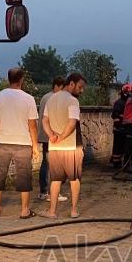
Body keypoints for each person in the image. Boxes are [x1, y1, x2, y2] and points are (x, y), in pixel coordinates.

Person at [0, 68, 40, 219]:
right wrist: (35, 146)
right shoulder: (28, 99)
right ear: (21, 79)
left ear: (9, 79)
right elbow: (32, 126)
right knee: (24, 176)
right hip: (23, 143)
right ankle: (24, 210)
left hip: (3, 142)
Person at [42, 73, 87, 218]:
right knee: (75, 179)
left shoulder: (51, 99)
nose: (81, 91)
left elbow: (44, 121)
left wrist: (51, 136)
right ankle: (73, 211)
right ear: (71, 84)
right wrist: (61, 137)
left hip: (54, 147)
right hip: (72, 146)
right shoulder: (73, 101)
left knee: (55, 180)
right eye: (80, 87)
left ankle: (52, 211)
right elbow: (72, 122)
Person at [36, 77, 68, 203]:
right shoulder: (55, 99)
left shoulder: (45, 97)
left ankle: (43, 191)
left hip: (44, 136)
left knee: (46, 163)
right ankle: (52, 192)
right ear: (57, 86)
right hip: (52, 136)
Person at [111, 84, 130, 168]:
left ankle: (117, 161)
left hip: (123, 128)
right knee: (118, 147)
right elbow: (115, 115)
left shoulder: (126, 102)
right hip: (119, 128)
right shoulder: (119, 102)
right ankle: (116, 163)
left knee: (120, 147)